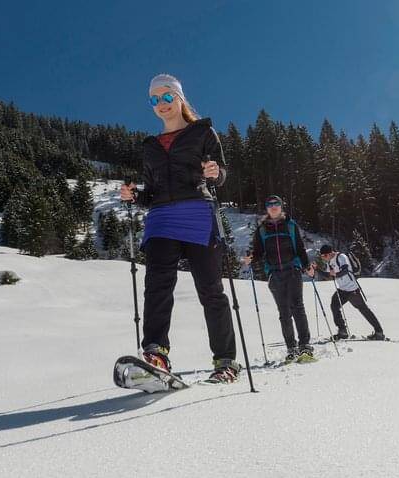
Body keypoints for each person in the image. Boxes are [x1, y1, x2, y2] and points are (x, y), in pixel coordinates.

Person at [120, 73, 241, 384]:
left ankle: (225, 361)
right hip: (160, 219)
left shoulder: (203, 133)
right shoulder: (150, 146)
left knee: (211, 291)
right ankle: (156, 353)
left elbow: (220, 175)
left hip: (197, 215)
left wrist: (216, 173)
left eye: (167, 97)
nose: (161, 104)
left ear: (180, 98)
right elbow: (151, 191)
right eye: (154, 99)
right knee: (157, 286)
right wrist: (135, 196)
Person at [244, 195, 316, 362]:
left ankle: (305, 346)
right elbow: (258, 252)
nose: (273, 207)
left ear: (281, 207)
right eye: (270, 204)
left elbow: (299, 247)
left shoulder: (290, 225)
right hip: (274, 274)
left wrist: (307, 266)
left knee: (297, 307)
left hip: (293, 270)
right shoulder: (261, 230)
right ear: (267, 208)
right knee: (284, 312)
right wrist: (251, 258)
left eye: (276, 204)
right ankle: (291, 348)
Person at [318, 244, 385, 341]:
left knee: (364, 310)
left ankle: (379, 332)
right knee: (334, 305)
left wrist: (336, 274)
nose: (323, 258)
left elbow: (345, 270)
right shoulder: (330, 262)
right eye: (322, 256)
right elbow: (328, 276)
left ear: (329, 253)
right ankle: (342, 332)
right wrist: (316, 269)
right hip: (342, 290)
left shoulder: (341, 257)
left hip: (352, 289)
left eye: (324, 256)